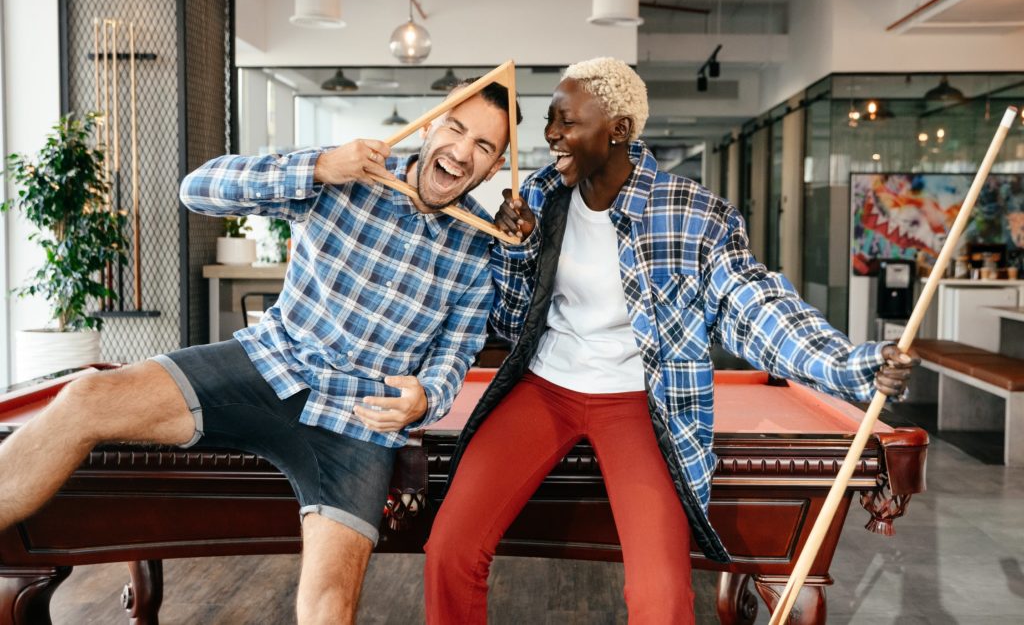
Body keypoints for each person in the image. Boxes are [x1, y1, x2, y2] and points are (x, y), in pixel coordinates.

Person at [0, 80, 520, 625]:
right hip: (265, 365)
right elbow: (197, 190)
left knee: (329, 608)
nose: (462, 152)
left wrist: (425, 400)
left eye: (484, 147)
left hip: (358, 423)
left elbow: (456, 353)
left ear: (496, 165)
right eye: (456, 128)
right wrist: (317, 166)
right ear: (431, 122)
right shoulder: (344, 174)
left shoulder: (481, 247)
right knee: (85, 397)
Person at [423, 58, 916, 624]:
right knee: (450, 550)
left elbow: (756, 309)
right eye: (550, 120)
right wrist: (517, 251)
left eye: (567, 121)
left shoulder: (692, 213)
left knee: (661, 597)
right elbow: (510, 325)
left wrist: (853, 365)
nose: (551, 134)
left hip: (638, 402)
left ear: (619, 130)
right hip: (545, 388)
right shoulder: (537, 197)